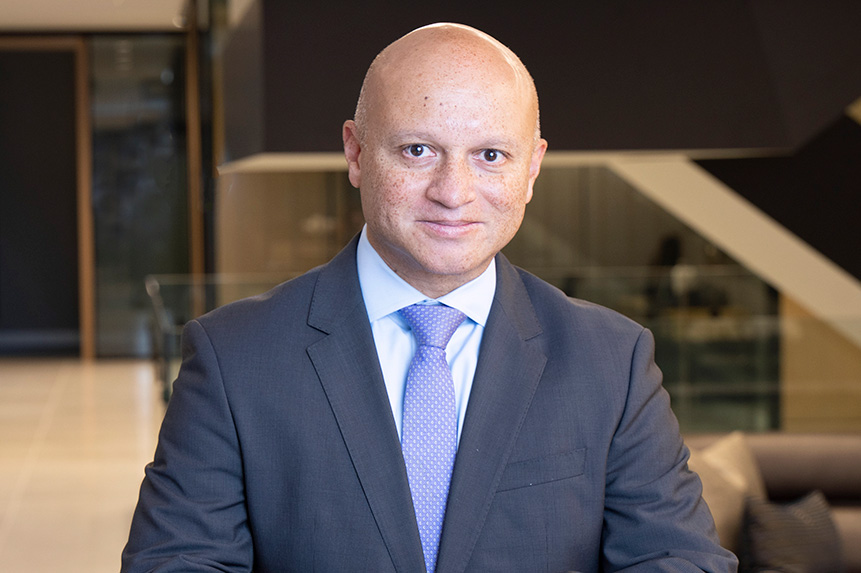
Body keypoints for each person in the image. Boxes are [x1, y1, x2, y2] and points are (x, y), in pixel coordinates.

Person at [122, 23, 737, 572]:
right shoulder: (234, 357)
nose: (453, 191)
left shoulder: (613, 360)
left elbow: (680, 559)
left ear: (531, 169)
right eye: (418, 151)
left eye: (490, 155)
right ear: (355, 153)